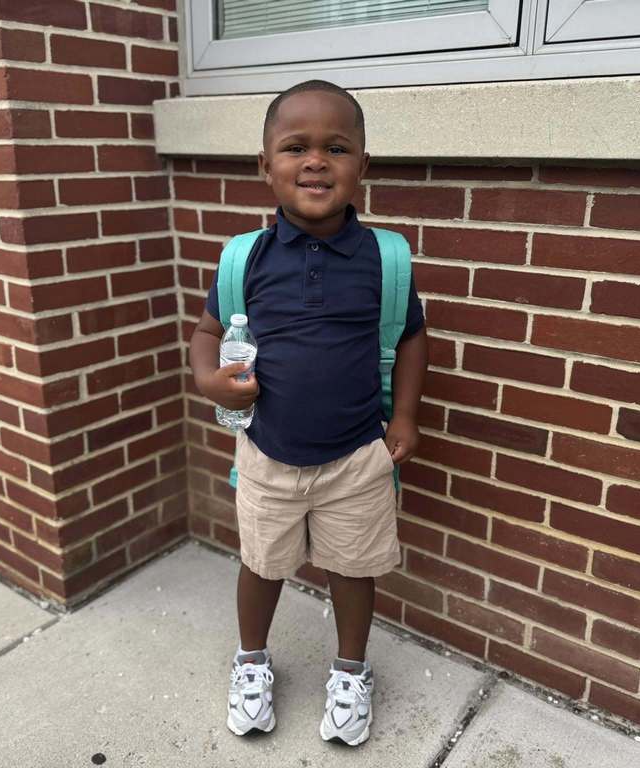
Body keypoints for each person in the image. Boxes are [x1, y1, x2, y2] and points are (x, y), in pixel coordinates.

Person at [189, 79, 428, 747]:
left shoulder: (384, 261)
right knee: (261, 564)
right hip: (267, 454)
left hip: (356, 455)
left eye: (336, 147)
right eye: (295, 147)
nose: (316, 161)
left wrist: (404, 419)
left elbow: (410, 337)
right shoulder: (247, 260)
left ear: (363, 168)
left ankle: (351, 672)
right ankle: (251, 662)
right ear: (266, 167)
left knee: (354, 568)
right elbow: (206, 332)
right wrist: (211, 380)